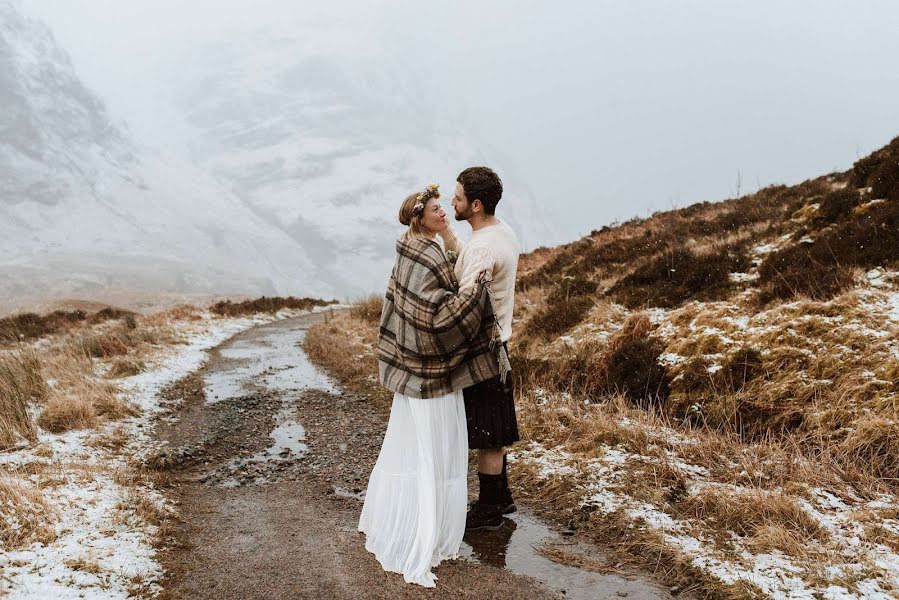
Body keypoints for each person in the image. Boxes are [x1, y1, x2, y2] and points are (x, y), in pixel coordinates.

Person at [358, 183, 510, 587]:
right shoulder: (425, 255)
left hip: (409, 370)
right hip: (430, 377)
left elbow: (402, 307)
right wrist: (475, 293)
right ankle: (426, 530)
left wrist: (449, 243)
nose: (444, 212)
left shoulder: (413, 247)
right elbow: (437, 317)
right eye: (437, 209)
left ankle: (409, 521)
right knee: (431, 451)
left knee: (412, 448)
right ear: (419, 218)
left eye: (447, 206)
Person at [440, 167, 521, 531]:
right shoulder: (499, 231)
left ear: (474, 204)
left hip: (484, 349)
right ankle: (500, 497)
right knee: (497, 427)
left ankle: (489, 509)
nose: (450, 203)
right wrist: (446, 234)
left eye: (457, 198)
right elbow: (470, 257)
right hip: (500, 344)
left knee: (489, 431)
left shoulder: (484, 247)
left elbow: (466, 303)